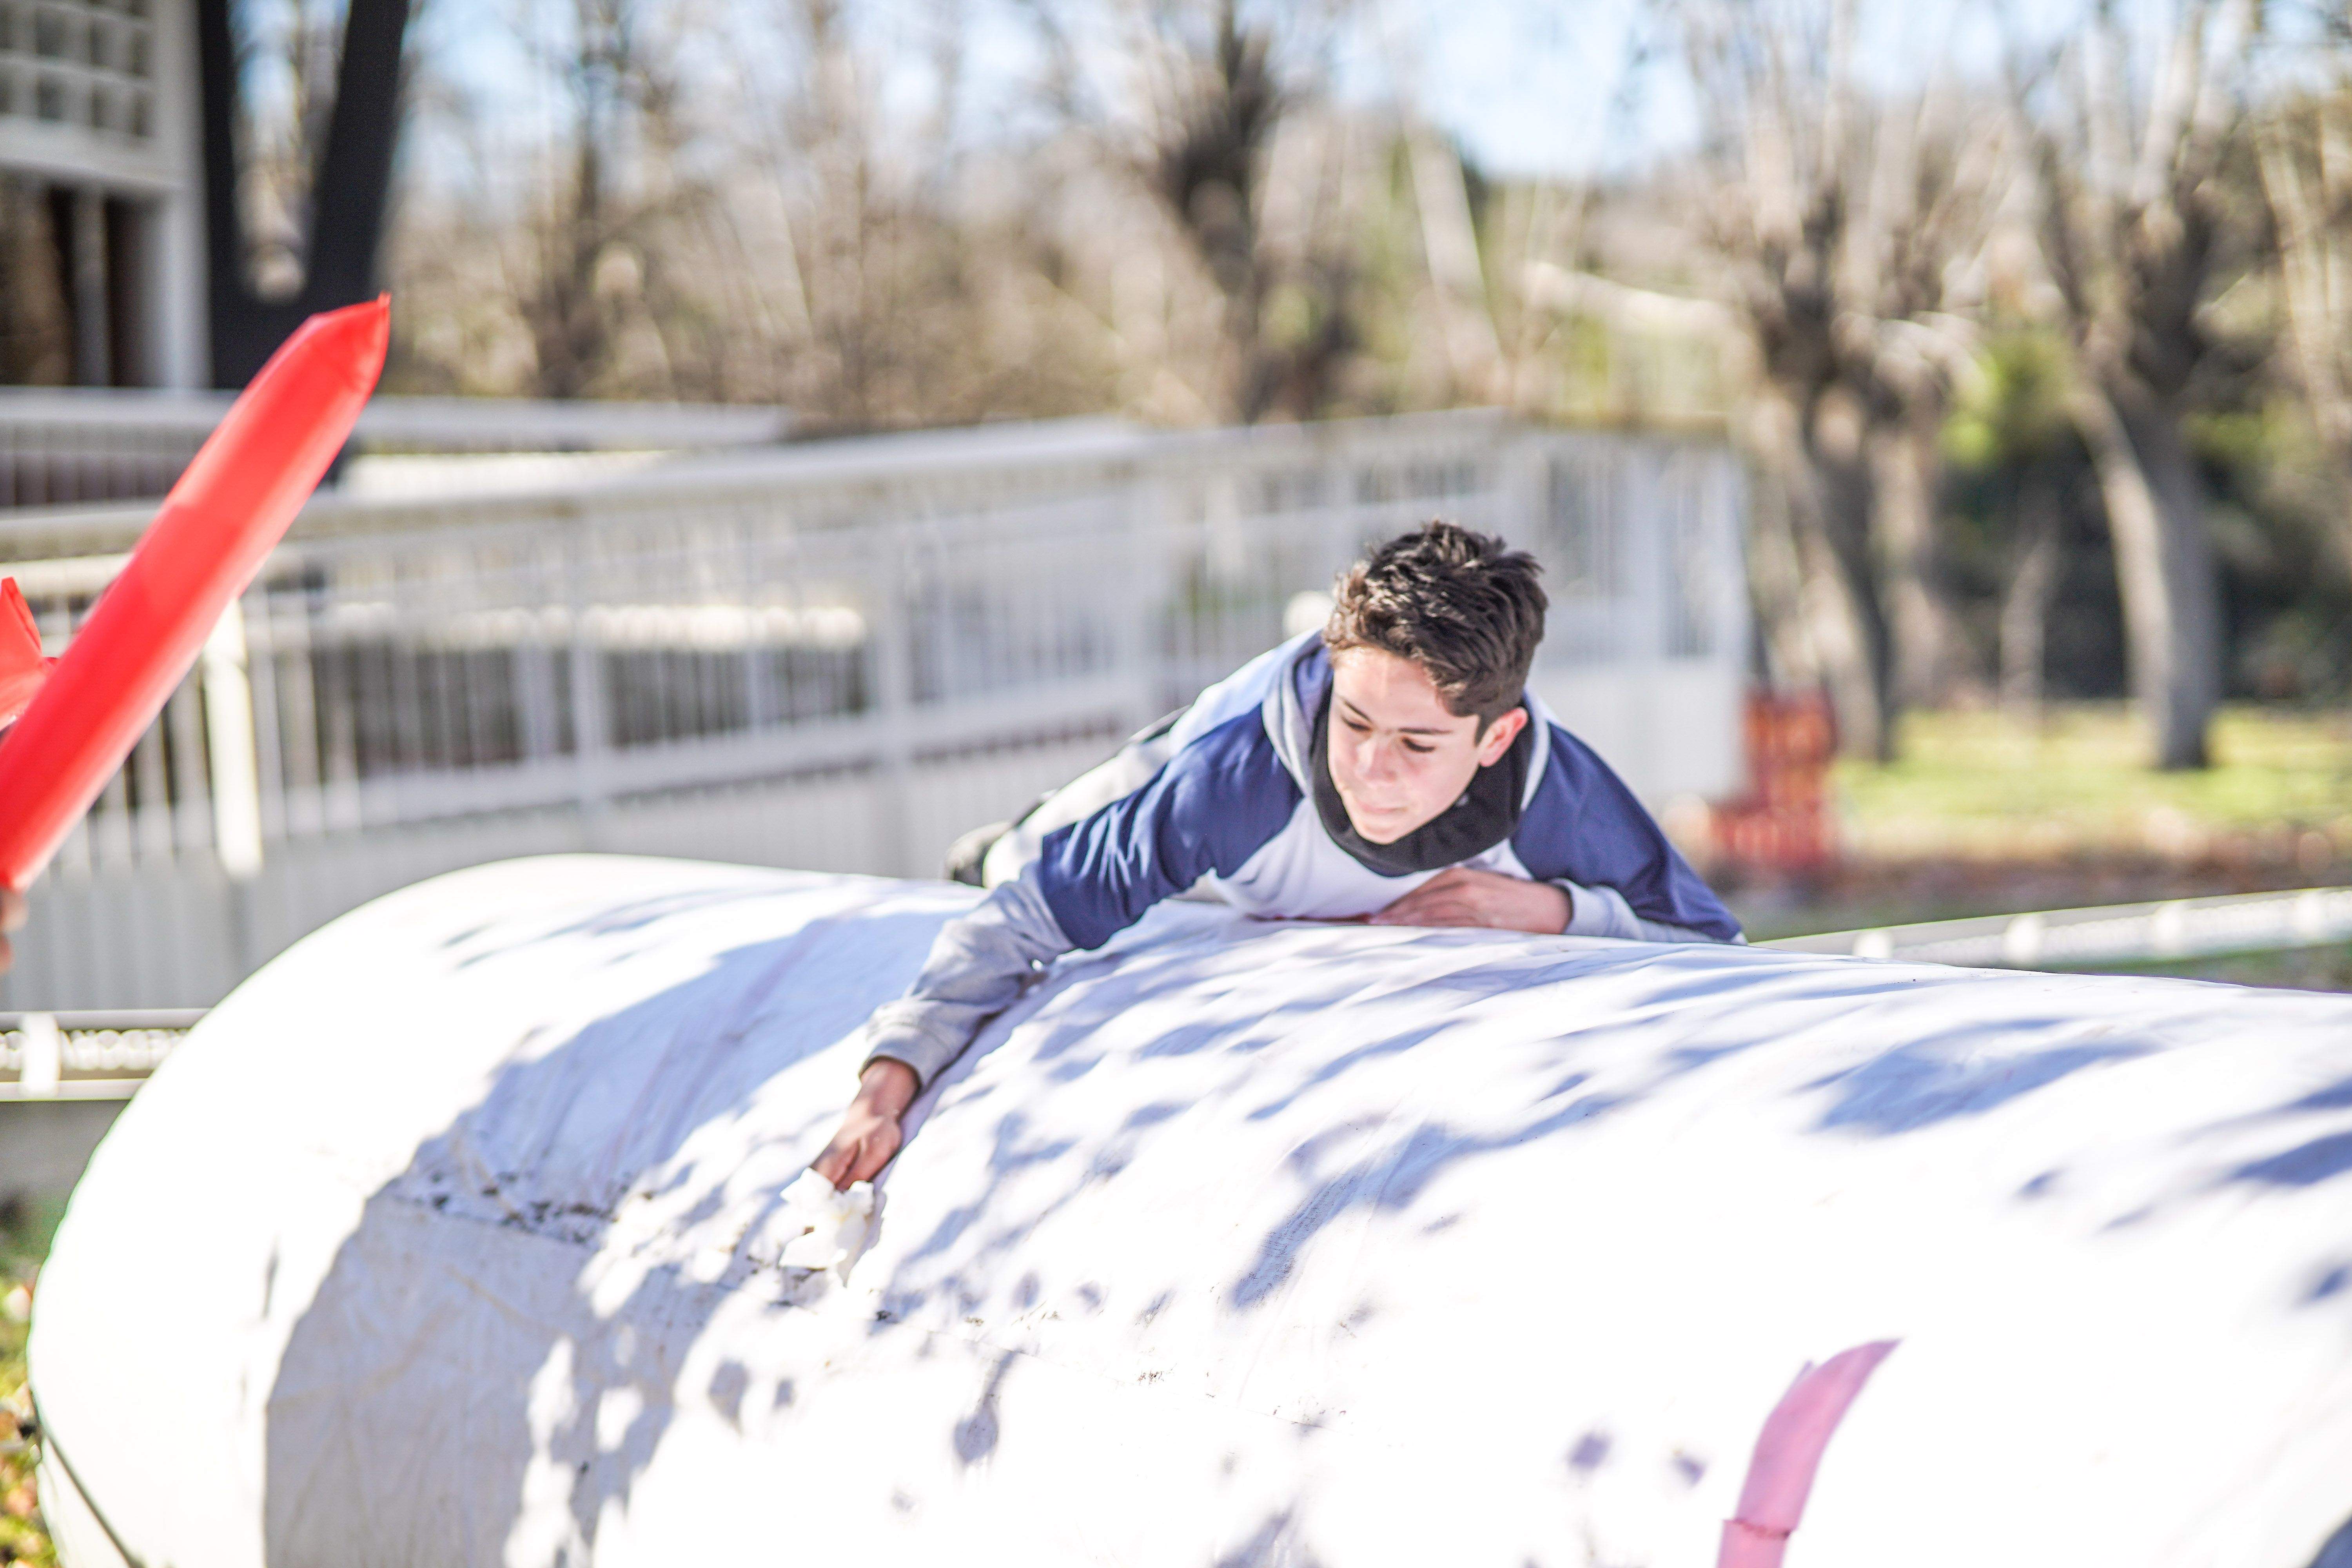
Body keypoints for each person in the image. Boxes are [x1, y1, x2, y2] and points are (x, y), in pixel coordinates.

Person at [811, 522, 1740, 1187]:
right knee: (1014, 857)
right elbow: (1028, 918)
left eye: (1417, 745)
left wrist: (1560, 912)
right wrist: (889, 1078)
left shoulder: (1549, 788)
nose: (1372, 770)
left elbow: (1709, 941)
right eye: (1356, 721)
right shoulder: (1238, 780)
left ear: (1493, 742)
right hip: (1166, 790)